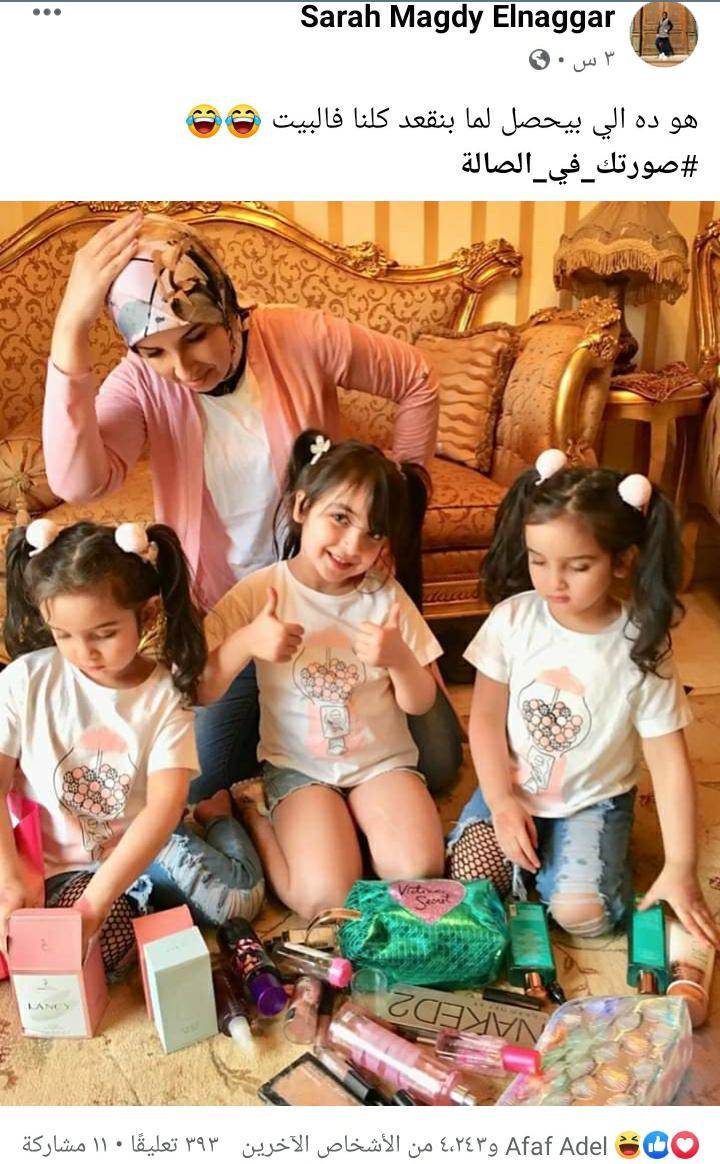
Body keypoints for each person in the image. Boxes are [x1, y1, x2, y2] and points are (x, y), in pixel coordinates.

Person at [42, 211, 463, 799]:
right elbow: (77, 482)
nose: (183, 370)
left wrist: (393, 514)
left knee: (438, 764)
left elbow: (416, 378)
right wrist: (70, 328)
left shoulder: (300, 334)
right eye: (155, 351)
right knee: (202, 782)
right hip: (239, 614)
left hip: (341, 598)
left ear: (225, 304)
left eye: (196, 336)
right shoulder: (142, 381)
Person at [447, 449, 719, 949]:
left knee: (583, 916)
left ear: (622, 561)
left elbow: (668, 761)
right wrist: (502, 803)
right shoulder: (512, 619)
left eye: (578, 566)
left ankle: (583, 860)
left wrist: (681, 866)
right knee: (470, 877)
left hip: (592, 800)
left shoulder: (641, 642)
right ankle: (544, 860)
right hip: (512, 788)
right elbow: (483, 720)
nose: (553, 581)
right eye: (538, 560)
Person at [0, 518, 264, 975]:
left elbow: (162, 809)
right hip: (49, 862)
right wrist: (9, 878)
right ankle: (130, 906)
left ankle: (219, 814)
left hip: (144, 852)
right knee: (73, 956)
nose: (84, 653)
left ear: (147, 614)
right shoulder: (23, 680)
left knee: (236, 900)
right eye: (63, 635)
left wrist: (93, 904)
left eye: (104, 633)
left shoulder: (164, 696)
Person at [199, 432, 446, 919]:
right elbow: (201, 688)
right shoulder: (260, 591)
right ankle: (254, 811)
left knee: (419, 871)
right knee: (325, 899)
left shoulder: (385, 594)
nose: (352, 545)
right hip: (300, 768)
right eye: (340, 518)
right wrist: (246, 642)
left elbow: (420, 702)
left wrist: (399, 659)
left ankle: (353, 828)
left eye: (373, 534)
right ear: (301, 506)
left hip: (382, 764)